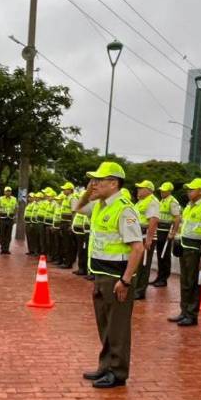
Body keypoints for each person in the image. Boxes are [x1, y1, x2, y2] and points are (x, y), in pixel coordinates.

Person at [75, 161, 144, 388]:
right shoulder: (100, 205)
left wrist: (125, 280)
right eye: (92, 180)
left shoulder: (124, 209)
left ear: (113, 183)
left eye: (99, 180)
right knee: (104, 325)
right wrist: (89, 191)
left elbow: (137, 248)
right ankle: (105, 366)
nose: (94, 184)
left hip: (117, 279)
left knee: (118, 328)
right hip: (101, 274)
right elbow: (77, 207)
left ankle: (118, 372)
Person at [168, 178, 201, 327]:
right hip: (184, 246)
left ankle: (192, 314)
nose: (189, 192)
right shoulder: (188, 206)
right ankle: (184, 311)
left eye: (192, 189)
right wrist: (177, 240)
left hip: (195, 249)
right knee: (185, 281)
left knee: (193, 282)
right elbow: (184, 226)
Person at [132, 180, 159, 300]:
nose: (138, 190)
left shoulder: (152, 201)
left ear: (148, 190)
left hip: (144, 236)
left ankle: (140, 291)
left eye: (141, 188)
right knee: (136, 264)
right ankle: (135, 288)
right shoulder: (140, 202)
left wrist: (149, 239)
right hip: (137, 236)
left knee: (143, 265)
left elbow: (153, 220)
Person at [151, 182, 181, 288]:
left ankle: (164, 279)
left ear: (169, 191)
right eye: (161, 190)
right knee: (160, 255)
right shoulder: (162, 200)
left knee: (165, 256)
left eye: (164, 191)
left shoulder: (172, 202)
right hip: (160, 230)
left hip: (166, 231)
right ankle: (159, 277)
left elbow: (177, 218)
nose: (162, 192)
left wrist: (173, 232)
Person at [72, 189, 92, 277]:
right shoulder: (83, 207)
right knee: (81, 251)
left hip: (86, 233)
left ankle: (87, 270)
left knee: (86, 252)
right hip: (81, 231)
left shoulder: (90, 206)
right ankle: (81, 268)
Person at [0, 186, 18, 255]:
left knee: (8, 235)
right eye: (7, 191)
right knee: (2, 234)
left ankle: (7, 249)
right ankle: (2, 248)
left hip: (10, 219)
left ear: (11, 192)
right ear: (4, 192)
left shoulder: (14, 199)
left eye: (9, 191)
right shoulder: (1, 199)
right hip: (2, 218)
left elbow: (16, 208)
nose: (8, 192)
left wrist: (15, 217)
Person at [58, 182, 77, 268]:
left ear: (70, 190)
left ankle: (68, 263)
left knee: (68, 244)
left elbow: (74, 212)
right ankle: (66, 261)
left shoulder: (72, 198)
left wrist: (71, 225)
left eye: (65, 189)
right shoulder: (66, 198)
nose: (63, 190)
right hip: (63, 223)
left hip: (68, 223)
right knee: (64, 243)